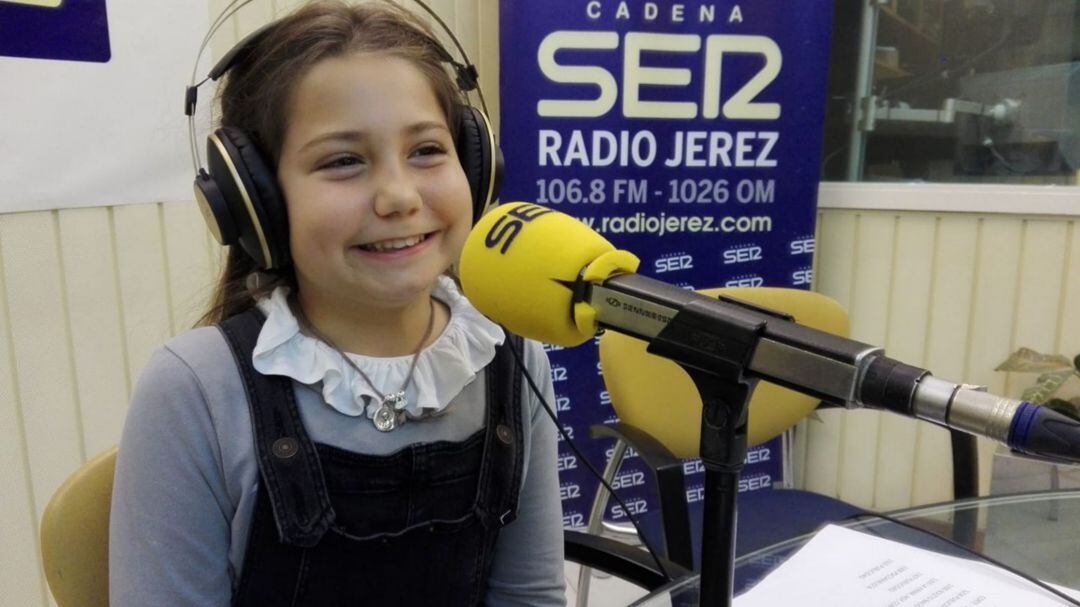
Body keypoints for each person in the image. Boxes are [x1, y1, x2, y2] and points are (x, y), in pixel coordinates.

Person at [108, 1, 566, 604]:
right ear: (258, 203)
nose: (399, 197)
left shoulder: (510, 358)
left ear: (476, 164)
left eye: (427, 150)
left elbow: (529, 597)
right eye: (343, 161)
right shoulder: (194, 389)